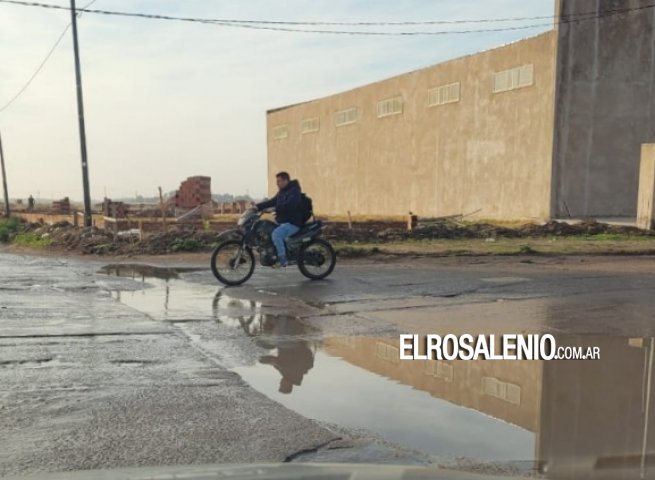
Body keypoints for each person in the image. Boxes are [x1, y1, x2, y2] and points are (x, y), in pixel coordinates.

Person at [255, 171, 304, 267]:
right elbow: (271, 202)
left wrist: (275, 208)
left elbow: (291, 205)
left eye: (279, 181)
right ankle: (274, 253)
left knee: (276, 234)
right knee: (266, 228)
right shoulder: (282, 192)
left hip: (293, 223)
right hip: (283, 222)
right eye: (276, 181)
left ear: (286, 181)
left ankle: (283, 259)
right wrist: (257, 207)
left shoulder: (294, 191)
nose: (277, 183)